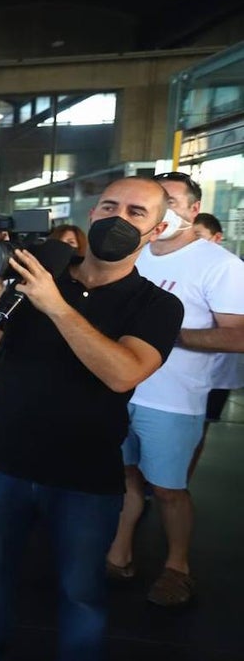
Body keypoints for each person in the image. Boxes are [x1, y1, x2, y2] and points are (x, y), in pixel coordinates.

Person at [0, 177, 183, 661]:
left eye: (136, 212)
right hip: (5, 458)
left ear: (155, 230)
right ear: (91, 214)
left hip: (85, 475)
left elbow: (122, 372)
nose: (119, 217)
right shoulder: (39, 276)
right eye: (110, 205)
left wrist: (55, 305)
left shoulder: (156, 305)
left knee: (81, 590)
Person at [104, 173, 244, 606]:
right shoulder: (134, 254)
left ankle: (177, 565)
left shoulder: (219, 265)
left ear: (192, 210)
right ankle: (120, 548)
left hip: (174, 398)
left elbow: (238, 336)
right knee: (124, 477)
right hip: (120, 390)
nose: (157, 210)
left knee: (168, 488)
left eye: (169, 201)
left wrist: (168, 335)